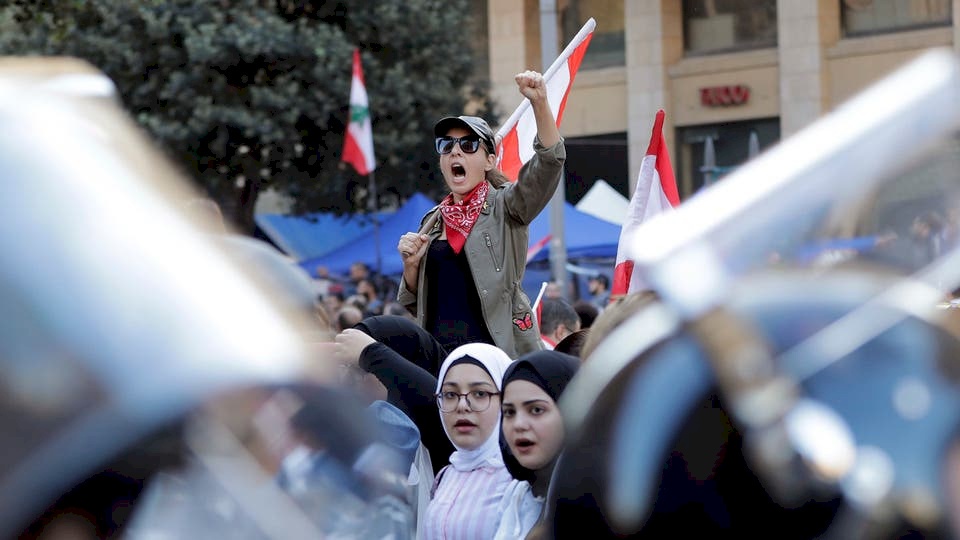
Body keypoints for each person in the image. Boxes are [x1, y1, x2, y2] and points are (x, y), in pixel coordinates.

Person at [397, 70, 565, 358]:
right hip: (441, 362)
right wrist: (411, 266)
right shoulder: (432, 221)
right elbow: (416, 303)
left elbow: (549, 163)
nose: (455, 152)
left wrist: (539, 103)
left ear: (490, 161)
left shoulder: (507, 206)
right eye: (446, 145)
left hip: (496, 357)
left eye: (468, 144)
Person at [421, 343, 514, 539]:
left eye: (480, 393)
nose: (462, 406)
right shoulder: (446, 475)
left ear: (507, 400)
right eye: (450, 395)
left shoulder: (518, 478)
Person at [495, 350, 581, 539]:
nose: (519, 425)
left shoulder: (595, 506)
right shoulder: (518, 494)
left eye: (536, 410)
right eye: (509, 412)